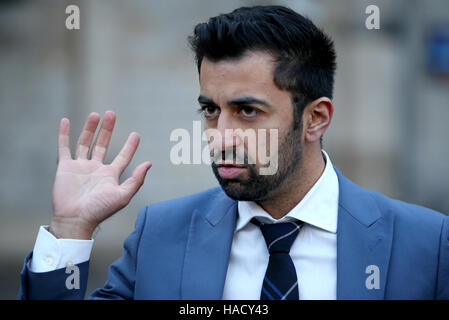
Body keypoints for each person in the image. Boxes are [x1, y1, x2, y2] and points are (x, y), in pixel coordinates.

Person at [19, 5, 449, 300]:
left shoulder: (425, 244)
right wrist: (70, 229)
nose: (220, 135)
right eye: (210, 110)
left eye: (247, 110)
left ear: (315, 119)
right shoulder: (162, 236)